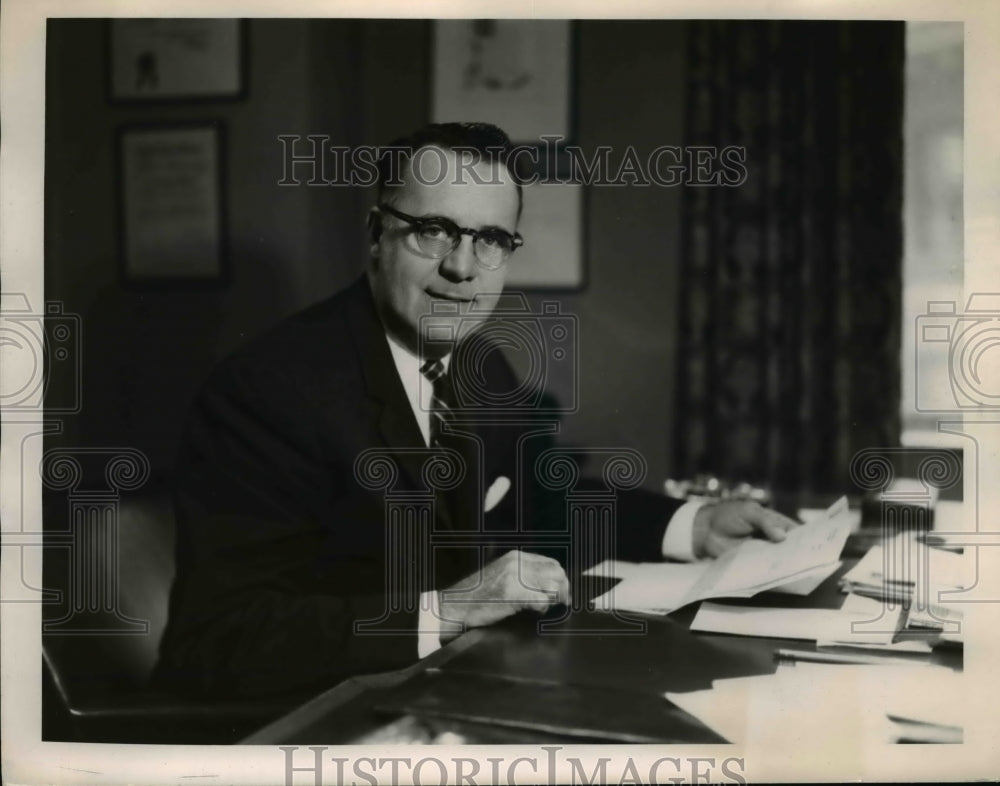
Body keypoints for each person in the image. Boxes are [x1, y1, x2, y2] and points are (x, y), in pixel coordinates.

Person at [154, 122, 796, 701]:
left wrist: (694, 524)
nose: (462, 268)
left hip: (452, 693)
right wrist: (451, 608)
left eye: (490, 239)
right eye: (433, 231)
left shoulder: (480, 363)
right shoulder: (267, 390)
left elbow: (546, 499)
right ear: (378, 236)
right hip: (315, 722)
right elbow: (216, 641)